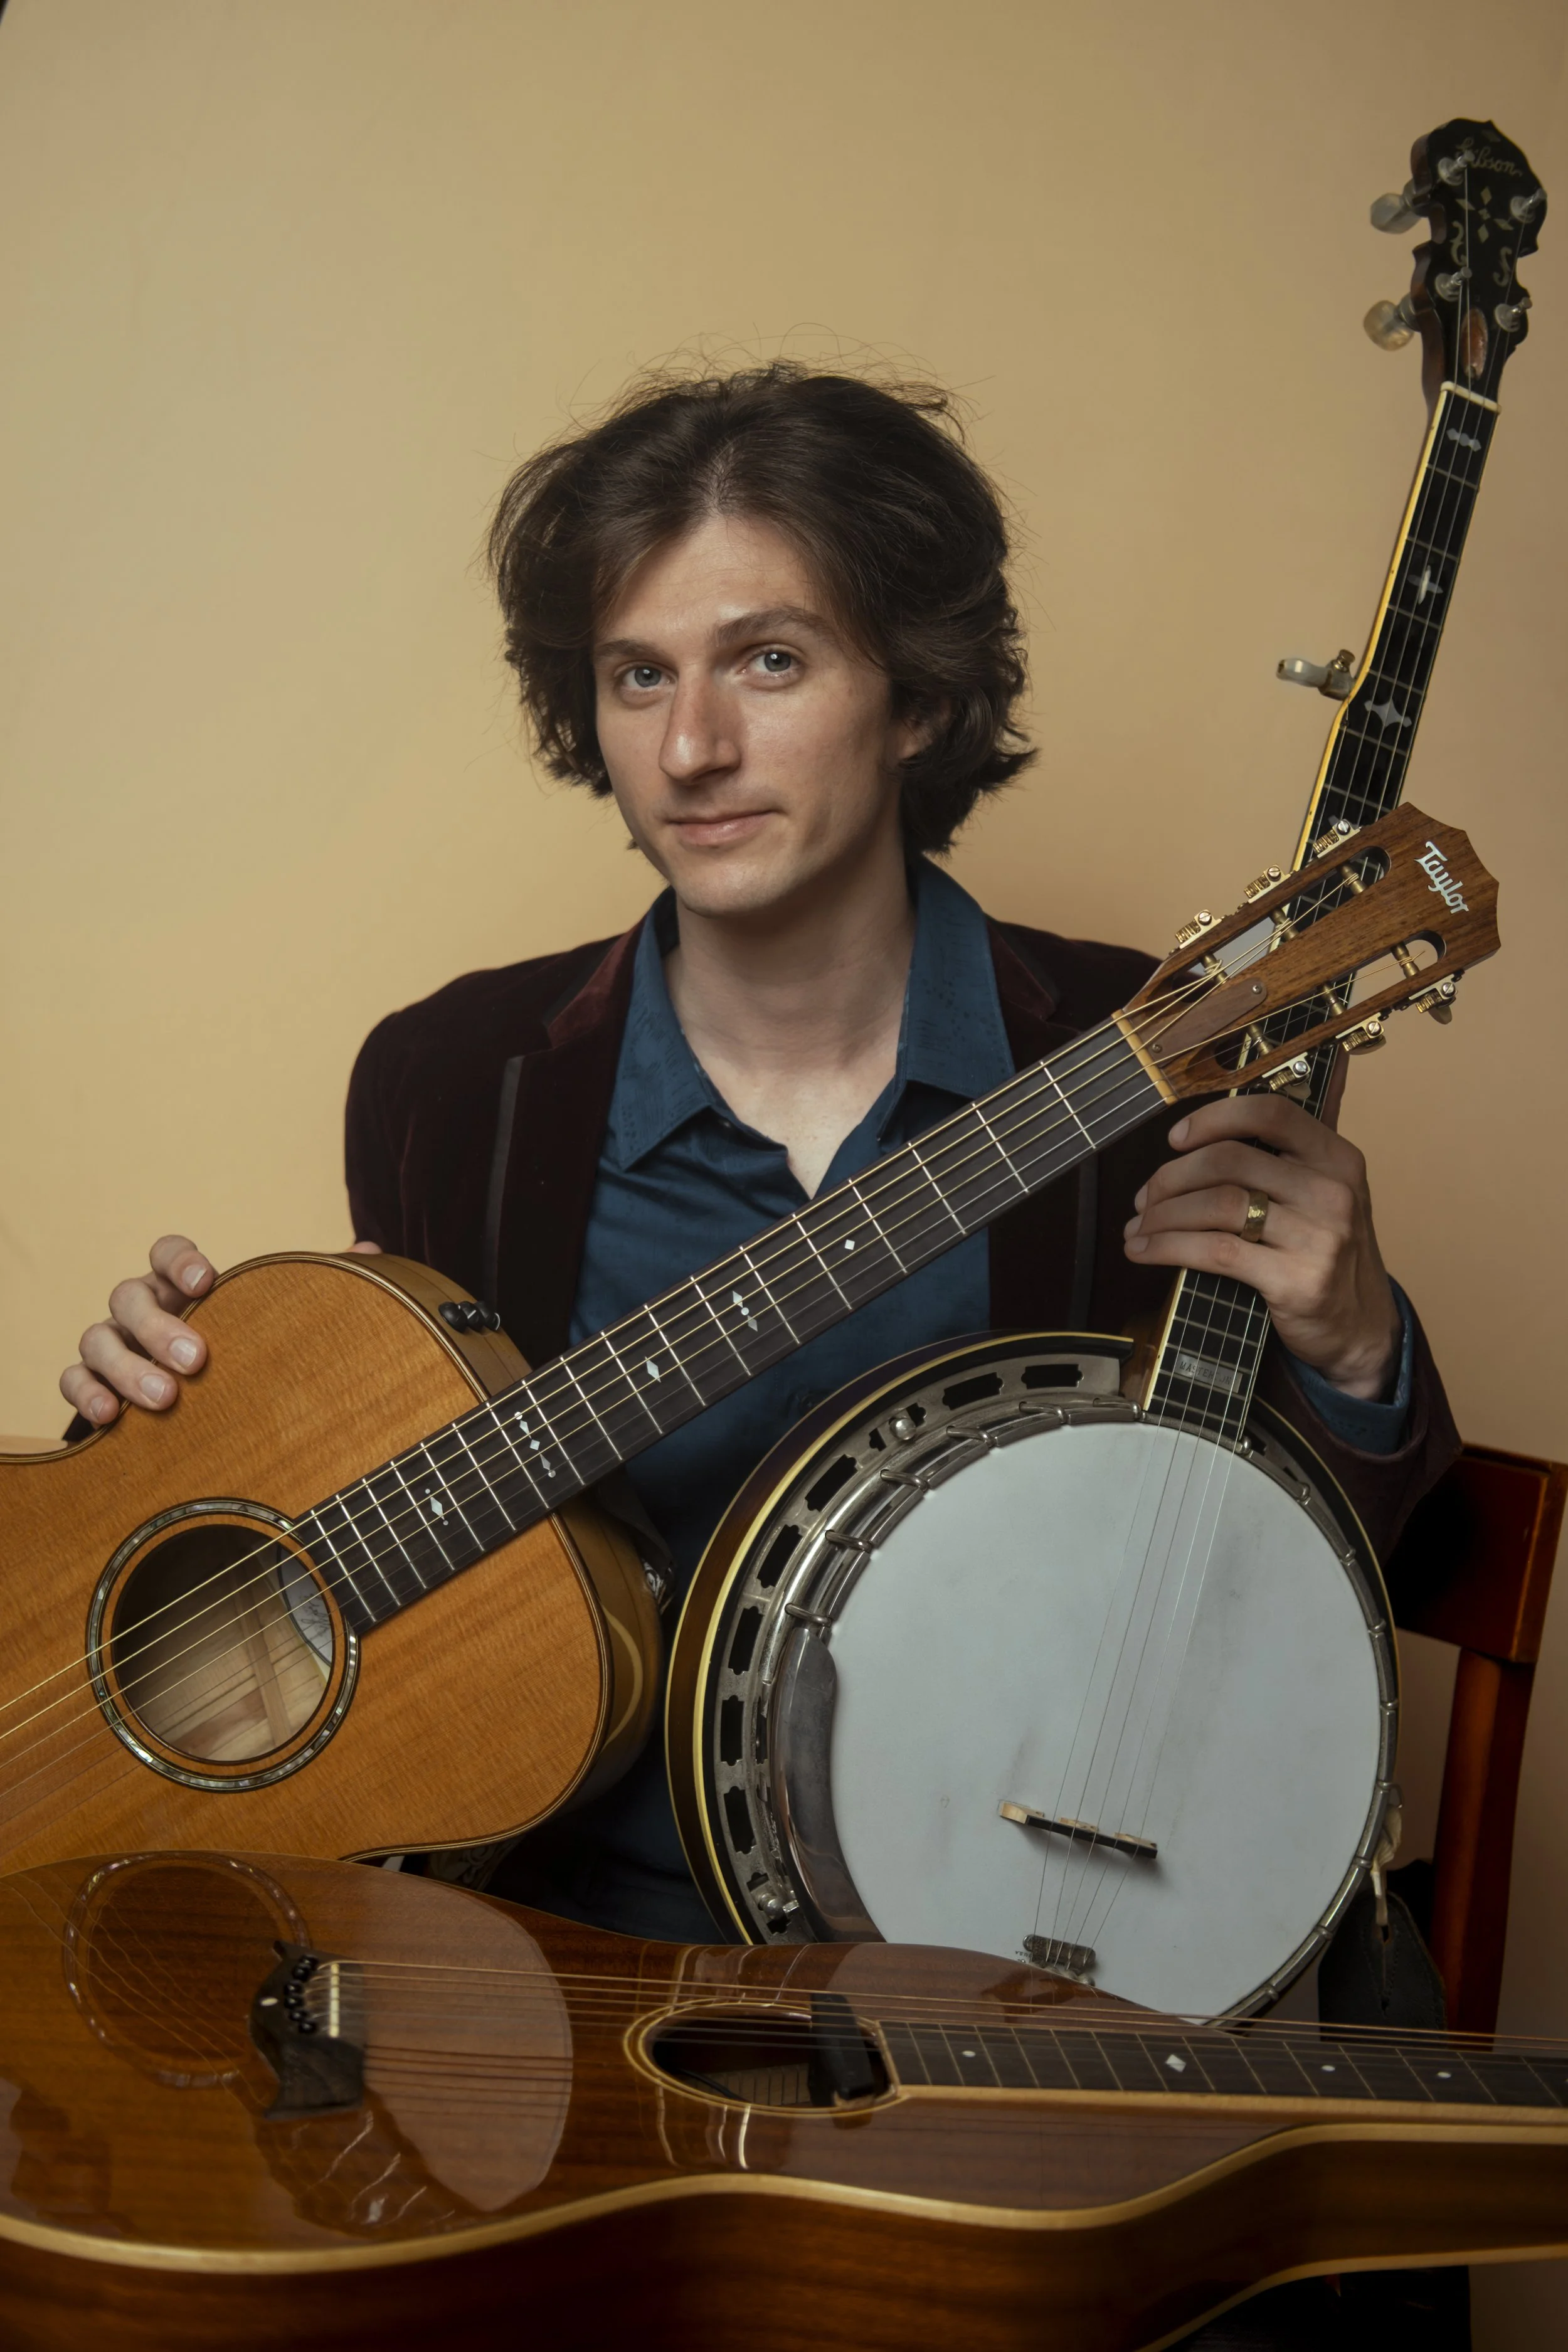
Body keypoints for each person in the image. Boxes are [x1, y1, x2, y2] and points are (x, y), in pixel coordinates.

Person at [60, 364, 1457, 1939]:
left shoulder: (1132, 1055)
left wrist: (1351, 1353)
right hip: (550, 1951)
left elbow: (1283, 1609)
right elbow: (423, 1596)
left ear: (918, 697)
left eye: (768, 661)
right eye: (638, 677)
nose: (694, 746)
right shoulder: (452, 1080)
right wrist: (193, 1437)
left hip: (1004, 1962)